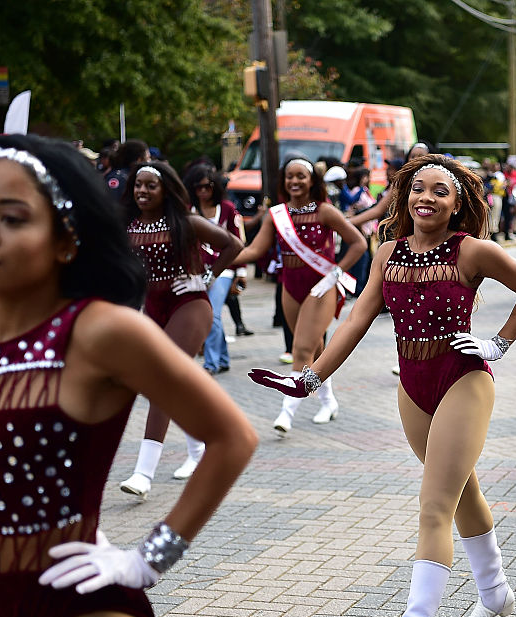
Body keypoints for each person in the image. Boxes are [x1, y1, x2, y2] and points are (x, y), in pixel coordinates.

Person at [0, 133, 256, 617]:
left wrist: (149, 558)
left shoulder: (99, 332)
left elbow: (233, 437)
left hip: (82, 614)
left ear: (65, 240)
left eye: (11, 218)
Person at [248, 154, 516, 617]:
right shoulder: (387, 252)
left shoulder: (471, 250)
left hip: (463, 381)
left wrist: (496, 344)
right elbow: (358, 319)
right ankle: (496, 592)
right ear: (405, 196)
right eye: (417, 189)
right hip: (412, 386)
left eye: (440, 192)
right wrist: (309, 379)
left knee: (434, 507)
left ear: (458, 205)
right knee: (462, 493)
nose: (426, 198)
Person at [118, 161, 244, 497]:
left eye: (150, 185)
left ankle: (143, 474)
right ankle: (199, 450)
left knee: (162, 380)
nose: (142, 191)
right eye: (138, 185)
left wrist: (204, 277)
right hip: (152, 311)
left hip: (190, 306)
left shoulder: (185, 222)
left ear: (166, 190)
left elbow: (233, 245)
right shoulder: (126, 225)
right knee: (171, 384)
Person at [233, 157, 367, 433]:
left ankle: (286, 413)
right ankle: (329, 402)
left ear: (312, 181)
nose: (294, 181)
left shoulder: (325, 212)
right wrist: (219, 260)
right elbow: (254, 251)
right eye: (289, 177)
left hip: (321, 288)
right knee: (314, 349)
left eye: (301, 176)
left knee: (301, 350)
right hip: (290, 288)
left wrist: (335, 274)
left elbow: (359, 243)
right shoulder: (277, 215)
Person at [183, 164, 246, 378]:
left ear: (215, 187)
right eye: (197, 187)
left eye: (207, 186)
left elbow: (238, 242)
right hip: (197, 272)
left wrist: (241, 272)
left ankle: (210, 363)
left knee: (213, 315)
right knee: (207, 315)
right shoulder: (188, 210)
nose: (202, 191)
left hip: (224, 270)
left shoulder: (227, 208)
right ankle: (223, 358)